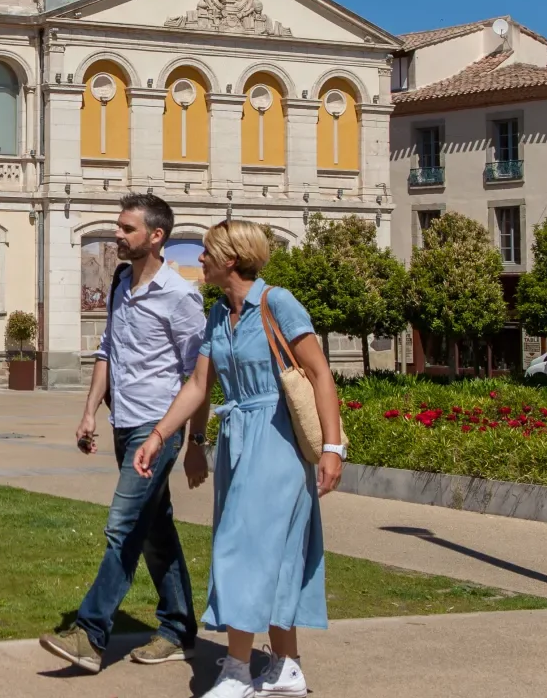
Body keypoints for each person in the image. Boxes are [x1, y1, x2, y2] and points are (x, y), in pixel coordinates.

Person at [132, 219, 346, 698]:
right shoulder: (217, 315)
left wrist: (333, 447)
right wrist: (171, 437)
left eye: (207, 252)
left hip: (278, 440)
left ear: (231, 259)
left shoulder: (277, 303)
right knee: (272, 551)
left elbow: (320, 373)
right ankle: (287, 667)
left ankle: (237, 669)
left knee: (241, 547)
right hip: (237, 439)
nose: (200, 260)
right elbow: (198, 387)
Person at [39, 193, 207, 674]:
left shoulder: (180, 296)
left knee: (123, 525)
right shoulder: (120, 283)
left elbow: (200, 376)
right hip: (124, 422)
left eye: (127, 229)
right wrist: (90, 411)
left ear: (156, 237)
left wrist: (193, 442)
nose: (117, 234)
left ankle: (91, 635)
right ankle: (178, 630)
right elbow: (107, 351)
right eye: (117, 226)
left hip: (159, 428)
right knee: (155, 531)